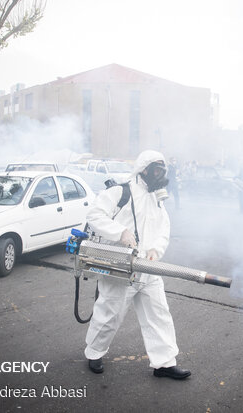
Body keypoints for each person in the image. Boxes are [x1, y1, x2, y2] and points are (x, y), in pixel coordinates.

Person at [84, 150, 191, 380]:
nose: (161, 175)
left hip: (148, 268)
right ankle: (94, 353)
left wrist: (156, 250)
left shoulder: (157, 198)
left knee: (159, 315)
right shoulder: (119, 192)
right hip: (120, 265)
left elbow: (164, 228)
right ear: (143, 169)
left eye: (163, 171)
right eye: (157, 170)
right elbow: (94, 214)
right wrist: (120, 231)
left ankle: (164, 363)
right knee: (109, 314)